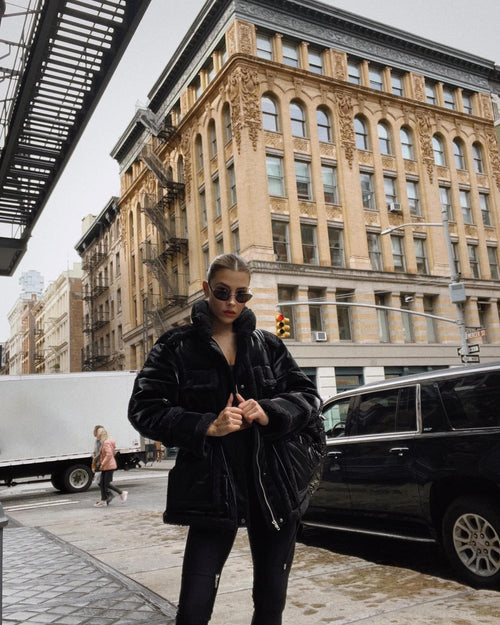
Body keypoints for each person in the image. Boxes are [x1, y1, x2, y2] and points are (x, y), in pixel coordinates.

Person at [128, 253, 324, 625]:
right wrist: (206, 425)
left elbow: (308, 397)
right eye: (222, 292)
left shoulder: (268, 345)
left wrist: (269, 411)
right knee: (194, 608)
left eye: (241, 294)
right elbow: (143, 409)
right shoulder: (175, 347)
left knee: (270, 604)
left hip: (272, 489)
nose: (232, 303)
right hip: (211, 490)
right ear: (205, 290)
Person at [93, 426, 128, 507]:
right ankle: (103, 500)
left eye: (98, 434)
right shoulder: (105, 442)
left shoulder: (106, 443)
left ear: (101, 435)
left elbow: (109, 455)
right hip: (107, 466)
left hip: (108, 466)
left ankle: (122, 492)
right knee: (102, 483)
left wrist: (102, 464)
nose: (96, 435)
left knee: (106, 483)